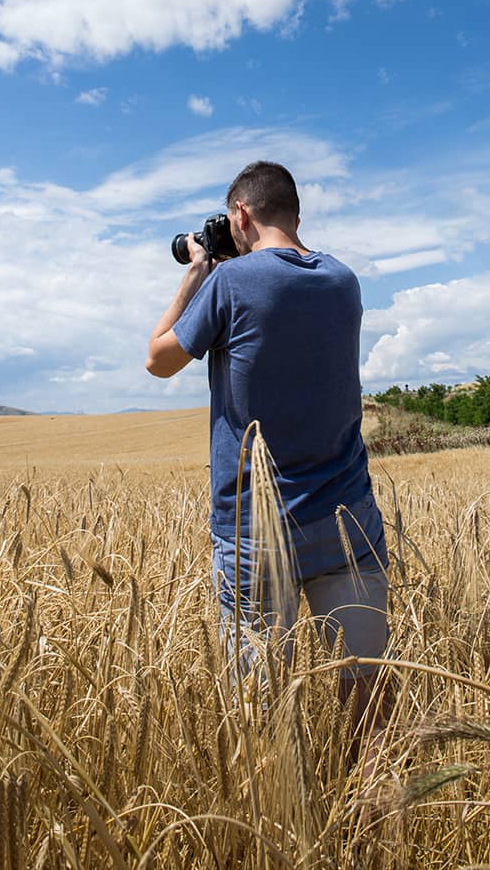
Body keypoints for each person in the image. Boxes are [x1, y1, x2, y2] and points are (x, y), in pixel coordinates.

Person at [145, 160, 388, 738]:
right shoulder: (343, 280)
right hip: (347, 521)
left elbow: (158, 359)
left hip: (257, 529)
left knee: (260, 712)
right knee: (368, 698)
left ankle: (282, 823)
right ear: (296, 213)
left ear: (240, 215)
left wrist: (197, 272)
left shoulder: (230, 283)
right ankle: (373, 817)